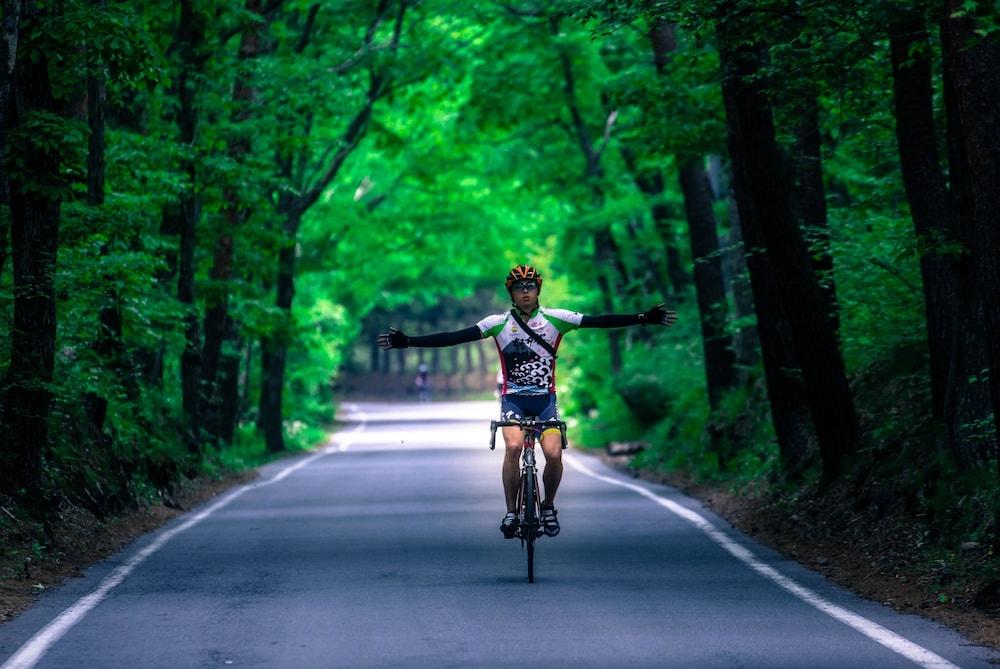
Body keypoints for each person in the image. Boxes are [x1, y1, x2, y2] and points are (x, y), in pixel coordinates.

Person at [378, 264, 677, 539]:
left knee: (555, 453)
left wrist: (642, 318)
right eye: (519, 287)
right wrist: (410, 341)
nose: (525, 291)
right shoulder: (497, 323)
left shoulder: (556, 319)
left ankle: (547, 506)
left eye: (530, 286)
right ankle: (511, 512)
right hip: (514, 401)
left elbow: (599, 321)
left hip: (545, 400)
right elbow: (455, 337)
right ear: (511, 293)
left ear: (537, 291)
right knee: (512, 446)